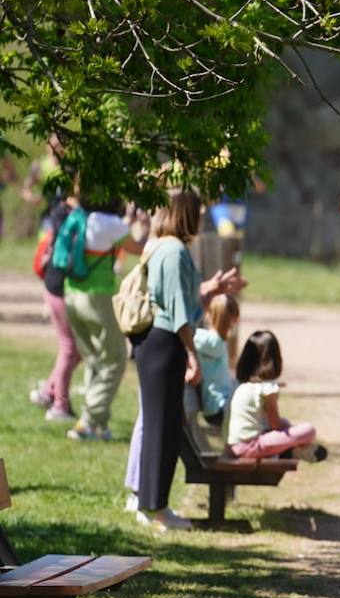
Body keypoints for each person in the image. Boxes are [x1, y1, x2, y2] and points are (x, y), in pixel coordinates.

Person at [131, 190, 247, 529]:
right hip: (166, 342)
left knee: (161, 425)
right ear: (187, 214)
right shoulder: (176, 250)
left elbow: (178, 299)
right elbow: (180, 314)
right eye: (198, 211)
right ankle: (157, 509)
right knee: (163, 427)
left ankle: (150, 504)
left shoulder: (160, 246)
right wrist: (192, 355)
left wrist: (209, 290)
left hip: (155, 342)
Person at [55, 196, 136, 442]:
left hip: (71, 294)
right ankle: (89, 420)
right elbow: (139, 247)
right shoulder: (109, 221)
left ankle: (96, 425)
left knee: (94, 358)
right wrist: (137, 223)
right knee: (116, 359)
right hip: (98, 297)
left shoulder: (79, 216)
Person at [226, 331, 326, 461]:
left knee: (286, 425)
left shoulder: (242, 387)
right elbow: (275, 424)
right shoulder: (267, 388)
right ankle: (292, 450)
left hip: (234, 445)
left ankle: (292, 451)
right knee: (308, 430)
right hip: (251, 447)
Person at [27, 193, 78, 424]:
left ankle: (49, 391)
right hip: (58, 287)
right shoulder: (69, 214)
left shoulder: (62, 212)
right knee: (70, 347)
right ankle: (60, 405)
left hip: (55, 285)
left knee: (74, 348)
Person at [195, 294, 241, 427]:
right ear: (232, 320)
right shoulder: (214, 342)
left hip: (218, 405)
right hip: (218, 405)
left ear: (209, 314)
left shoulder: (210, 340)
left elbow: (187, 332)